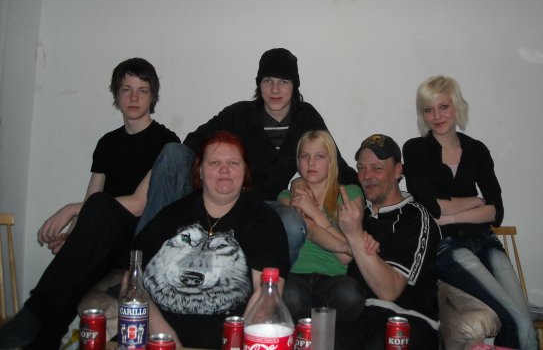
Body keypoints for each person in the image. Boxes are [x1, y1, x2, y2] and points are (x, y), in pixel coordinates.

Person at [0, 58, 179, 349]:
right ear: (116, 94)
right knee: (75, 270)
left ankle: (32, 313)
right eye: (126, 89)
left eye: (142, 90)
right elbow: (92, 201)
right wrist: (73, 238)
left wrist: (71, 210)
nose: (134, 98)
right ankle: (40, 340)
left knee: (98, 211)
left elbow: (137, 204)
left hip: (136, 242)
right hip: (103, 238)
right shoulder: (107, 143)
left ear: (153, 96)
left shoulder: (166, 141)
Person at [124, 48, 357, 263]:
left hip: (271, 207)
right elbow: (192, 144)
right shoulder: (239, 114)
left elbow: (336, 164)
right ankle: (138, 263)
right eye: (268, 81)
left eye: (283, 82)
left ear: (294, 86)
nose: (275, 89)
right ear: (259, 84)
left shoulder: (306, 117)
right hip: (227, 200)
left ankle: (271, 287)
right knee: (173, 151)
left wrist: (364, 202)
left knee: (293, 225)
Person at [402, 75, 537, 350]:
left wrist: (451, 216)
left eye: (443, 107)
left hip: (487, 242)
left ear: (457, 107)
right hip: (448, 247)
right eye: (428, 110)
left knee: (525, 320)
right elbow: (431, 207)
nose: (437, 116)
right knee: (512, 316)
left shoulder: (477, 150)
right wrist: (475, 201)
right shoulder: (415, 149)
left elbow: (496, 211)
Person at [128, 130, 290, 348]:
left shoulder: (263, 221)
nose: (224, 169)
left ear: (244, 171)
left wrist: (234, 343)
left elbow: (266, 298)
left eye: (233, 163)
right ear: (200, 171)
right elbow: (131, 281)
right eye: (214, 163)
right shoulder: (171, 215)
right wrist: (165, 338)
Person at [335, 134, 441, 350]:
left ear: (398, 171)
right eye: (361, 168)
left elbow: (389, 290)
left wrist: (354, 235)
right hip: (357, 318)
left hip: (406, 320)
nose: (366, 176)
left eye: (377, 168)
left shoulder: (415, 217)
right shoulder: (356, 214)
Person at [278, 130, 366, 323]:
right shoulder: (286, 197)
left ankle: (313, 323)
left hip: (332, 279)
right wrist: (346, 245)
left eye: (319, 156)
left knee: (350, 293)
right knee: (288, 293)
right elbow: (309, 230)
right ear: (297, 161)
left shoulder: (350, 194)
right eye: (305, 156)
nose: (311, 163)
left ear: (331, 161)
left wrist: (313, 210)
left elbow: (345, 257)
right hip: (295, 274)